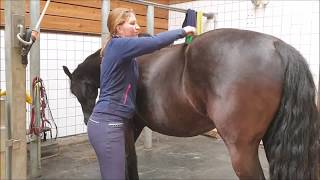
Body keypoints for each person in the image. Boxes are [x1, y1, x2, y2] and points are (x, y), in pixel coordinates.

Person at [87, 7, 196, 180]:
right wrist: (183, 31)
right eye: (132, 23)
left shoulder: (125, 53)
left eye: (137, 23)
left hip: (111, 123)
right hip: (108, 125)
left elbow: (156, 49)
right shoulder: (118, 45)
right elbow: (154, 42)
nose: (137, 27)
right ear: (117, 28)